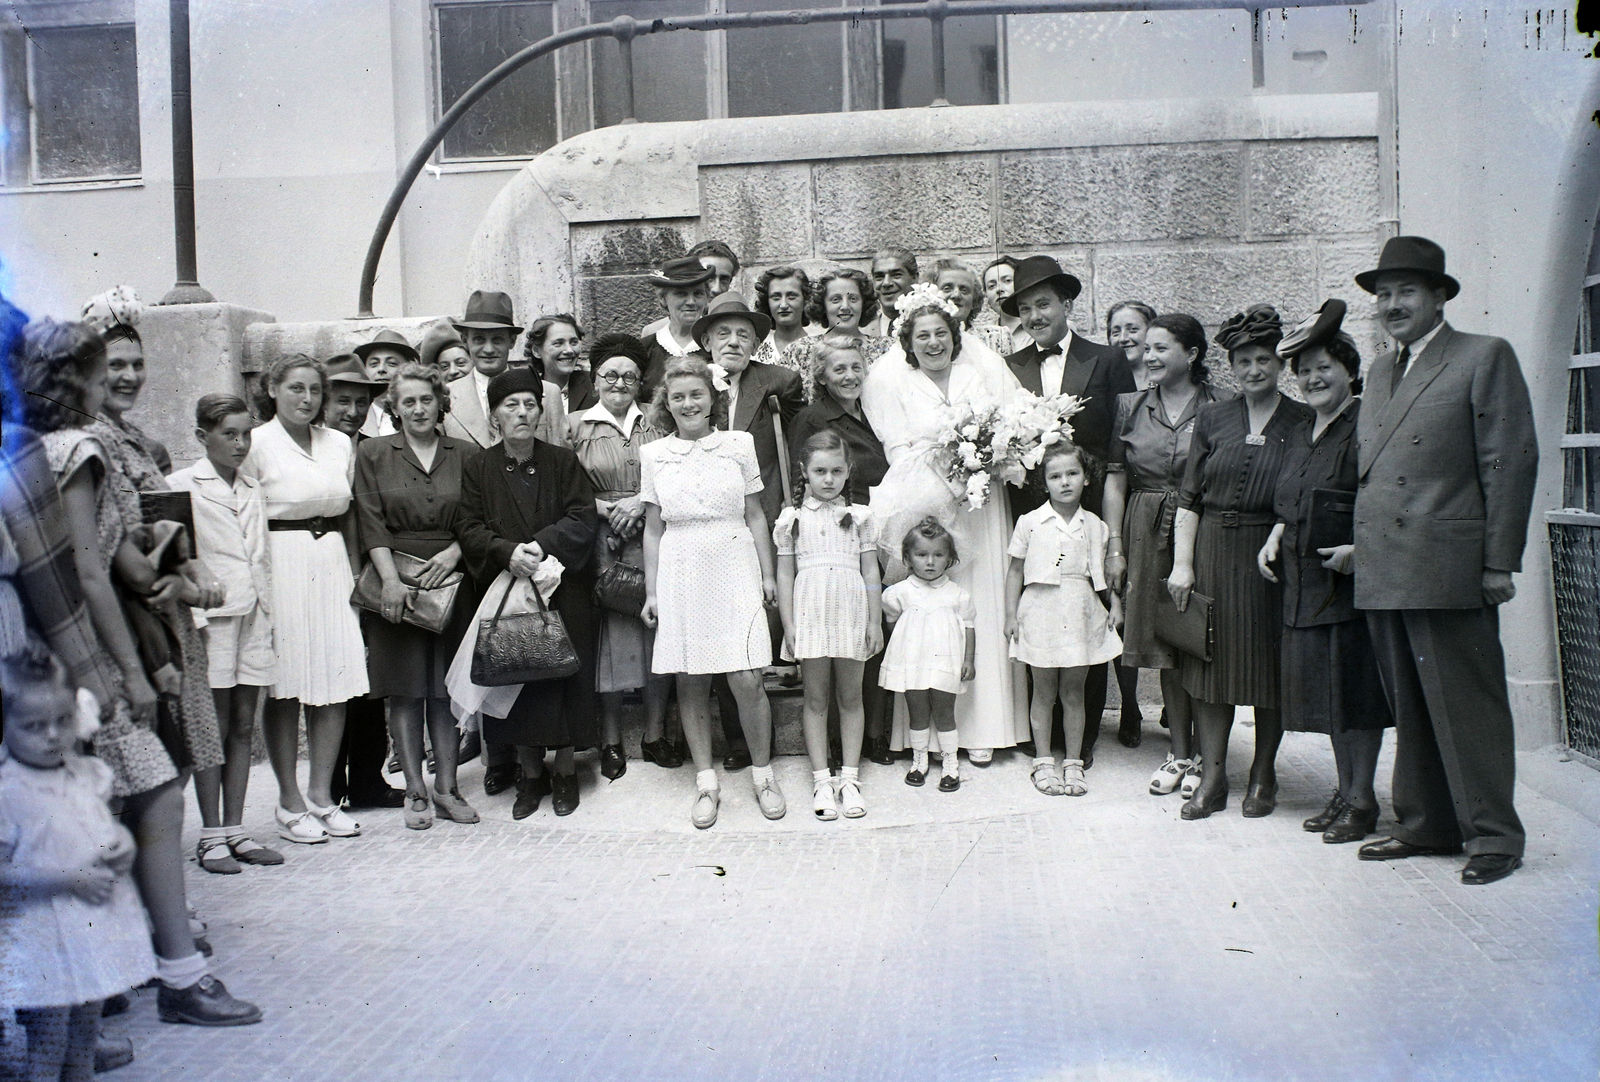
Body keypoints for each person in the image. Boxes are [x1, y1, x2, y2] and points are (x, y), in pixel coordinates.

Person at [21, 319, 257, 1025]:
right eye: (105, 368)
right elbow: (92, 570)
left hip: (57, 642)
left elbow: (117, 552)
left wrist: (162, 567)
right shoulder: (84, 448)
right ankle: (179, 975)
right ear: (80, 380)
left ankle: (107, 980)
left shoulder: (38, 447)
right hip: (89, 645)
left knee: (106, 805)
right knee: (152, 794)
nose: (117, 380)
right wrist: (126, 669)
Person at [1349, 237, 1538, 886]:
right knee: (1412, 705)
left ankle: (1494, 836)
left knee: (1468, 708)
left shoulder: (1482, 356)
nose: (1391, 305)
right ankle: (1425, 822)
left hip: (1449, 565)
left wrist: (1498, 563)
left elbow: (1508, 461)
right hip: (1386, 565)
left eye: (1405, 292)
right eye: (1382, 296)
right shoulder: (1377, 372)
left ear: (1438, 297)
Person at [861, 292, 1028, 763]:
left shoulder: (982, 371)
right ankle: (927, 738)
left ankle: (986, 730)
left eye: (941, 334)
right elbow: (896, 447)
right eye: (922, 336)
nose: (933, 343)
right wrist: (944, 470)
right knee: (931, 613)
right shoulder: (897, 382)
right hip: (930, 503)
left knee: (981, 608)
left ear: (955, 337)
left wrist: (986, 456)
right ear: (908, 344)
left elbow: (1010, 426)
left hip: (983, 505)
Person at [1255, 301, 1392, 844]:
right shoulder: (1305, 429)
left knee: (1355, 698)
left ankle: (1363, 802)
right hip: (1304, 582)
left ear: (1350, 370)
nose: (1313, 378)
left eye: (1324, 368)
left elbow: (1383, 493)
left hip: (1347, 581)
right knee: (1330, 697)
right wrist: (1274, 535)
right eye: (1305, 370)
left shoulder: (1367, 422)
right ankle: (1346, 791)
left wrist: (1362, 548)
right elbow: (1291, 499)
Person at [1167, 306, 1312, 820]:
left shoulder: (1301, 419)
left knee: (1266, 670)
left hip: (1270, 558)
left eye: (1265, 360)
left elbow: (1302, 494)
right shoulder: (1213, 418)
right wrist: (1182, 565)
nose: (1254, 369)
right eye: (1244, 360)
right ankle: (1212, 778)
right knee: (1210, 670)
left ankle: (1263, 774)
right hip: (1212, 551)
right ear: (1231, 365)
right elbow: (1188, 498)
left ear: (1280, 364)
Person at [639, 356, 785, 829]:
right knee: (692, 679)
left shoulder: (738, 445)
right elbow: (653, 531)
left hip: (734, 559)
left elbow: (757, 515)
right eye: (678, 396)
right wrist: (652, 592)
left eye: (696, 394)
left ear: (713, 398)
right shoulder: (655, 454)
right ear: (667, 403)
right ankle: (706, 781)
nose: (688, 403)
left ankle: (763, 774)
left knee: (746, 677)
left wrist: (767, 575)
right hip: (680, 567)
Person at [0, 647, 157, 1080]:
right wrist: (67, 879)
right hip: (42, 939)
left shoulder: (85, 773)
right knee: (49, 1046)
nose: (52, 735)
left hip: (91, 933)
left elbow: (105, 829)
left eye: (63, 721)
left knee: (85, 1037)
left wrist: (121, 844)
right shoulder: (9, 792)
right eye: (33, 726)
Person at [1004, 256, 1134, 766]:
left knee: (1088, 610)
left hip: (1092, 504)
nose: (1036, 315)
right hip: (1033, 509)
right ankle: (1044, 737)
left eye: (1044, 304)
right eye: (1026, 308)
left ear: (1066, 305)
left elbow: (1122, 440)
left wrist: (1114, 529)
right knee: (1042, 614)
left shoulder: (1105, 360)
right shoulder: (1012, 368)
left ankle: (1083, 739)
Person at [456, 370, 600, 820]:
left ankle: (563, 772)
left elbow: (582, 516)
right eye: (511, 405)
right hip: (509, 587)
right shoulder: (480, 466)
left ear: (541, 411)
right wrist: (505, 552)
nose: (522, 413)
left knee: (563, 680)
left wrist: (542, 544)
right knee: (519, 679)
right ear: (495, 415)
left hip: (562, 587)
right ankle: (530, 774)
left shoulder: (562, 461)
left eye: (530, 404)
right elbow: (468, 526)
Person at [243, 354, 370, 843]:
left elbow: (350, 512)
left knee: (334, 678)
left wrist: (358, 576)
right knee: (287, 684)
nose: (307, 399)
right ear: (273, 389)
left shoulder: (338, 443)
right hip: (281, 564)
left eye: (314, 390)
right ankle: (289, 801)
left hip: (331, 562)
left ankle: (321, 796)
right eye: (296, 388)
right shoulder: (256, 443)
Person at [354, 364, 479, 830]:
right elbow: (370, 518)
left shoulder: (465, 453)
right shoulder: (373, 453)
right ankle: (415, 790)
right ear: (394, 406)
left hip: (451, 580)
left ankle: (447, 788)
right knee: (404, 692)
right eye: (407, 401)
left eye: (425, 399)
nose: (418, 409)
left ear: (439, 400)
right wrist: (389, 581)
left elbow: (479, 515)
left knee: (444, 691)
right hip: (396, 579)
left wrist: (455, 552)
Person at [1103, 314, 1220, 795]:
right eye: (1146, 348)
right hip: (1145, 530)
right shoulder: (1129, 406)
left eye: (1160, 348)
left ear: (1191, 354)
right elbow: (1115, 476)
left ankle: (1207, 759)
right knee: (1167, 644)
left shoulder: (1220, 407)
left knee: (1199, 639)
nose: (1147, 356)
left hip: (1202, 529)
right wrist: (1114, 545)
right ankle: (1177, 752)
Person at [168, 395, 284, 873]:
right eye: (228, 435)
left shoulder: (252, 484)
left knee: (243, 724)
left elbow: (259, 556)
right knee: (211, 730)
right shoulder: (180, 486)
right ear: (202, 437)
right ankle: (210, 835)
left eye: (245, 434)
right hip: (211, 620)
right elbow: (178, 560)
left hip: (255, 613)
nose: (240, 444)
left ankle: (235, 830)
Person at [566, 334, 677, 776]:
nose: (619, 382)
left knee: (658, 635)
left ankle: (654, 735)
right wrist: (608, 510)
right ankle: (611, 741)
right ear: (595, 379)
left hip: (653, 533)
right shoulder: (575, 426)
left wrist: (638, 506)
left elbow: (672, 473)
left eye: (629, 375)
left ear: (639, 381)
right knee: (613, 642)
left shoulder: (656, 422)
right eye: (609, 375)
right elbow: (565, 487)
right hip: (601, 543)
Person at [786, 337, 894, 766]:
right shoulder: (815, 418)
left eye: (855, 367)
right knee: (826, 653)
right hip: (828, 525)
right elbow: (805, 476)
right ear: (822, 377)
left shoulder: (872, 411)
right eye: (838, 370)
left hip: (873, 523)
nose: (849, 376)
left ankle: (873, 736)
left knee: (864, 636)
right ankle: (832, 747)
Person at [774, 430, 883, 820]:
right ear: (804, 471)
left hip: (851, 608)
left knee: (851, 696)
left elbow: (871, 570)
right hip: (810, 613)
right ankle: (822, 779)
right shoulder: (792, 520)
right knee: (816, 698)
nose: (828, 479)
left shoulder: (860, 518)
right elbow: (785, 576)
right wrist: (788, 625)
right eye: (820, 471)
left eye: (837, 470)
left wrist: (874, 620)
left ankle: (850, 779)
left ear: (848, 470)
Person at [1005, 443, 1123, 798]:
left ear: (1086, 478)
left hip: (1080, 609)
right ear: (1044, 483)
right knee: (1043, 691)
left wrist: (1114, 604)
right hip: (1040, 610)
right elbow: (1014, 571)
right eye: (1055, 476)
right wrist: (1010, 614)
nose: (1065, 482)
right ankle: (1043, 761)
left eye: (1072, 473)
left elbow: (1101, 575)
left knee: (1074, 692)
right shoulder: (1030, 522)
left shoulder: (1096, 525)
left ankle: (1073, 762)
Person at [880, 519, 975, 791]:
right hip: (913, 663)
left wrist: (968, 659)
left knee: (945, 713)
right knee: (917, 712)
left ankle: (950, 764)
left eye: (938, 555)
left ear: (950, 559)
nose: (930, 562)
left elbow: (969, 628)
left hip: (946, 662)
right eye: (922, 555)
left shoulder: (957, 594)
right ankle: (919, 760)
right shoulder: (900, 592)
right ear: (908, 558)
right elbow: (893, 625)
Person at [780, 267, 893, 388]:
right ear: (822, 305)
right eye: (836, 299)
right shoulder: (799, 350)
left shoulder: (888, 349)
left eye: (853, 299)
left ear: (863, 303)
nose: (845, 306)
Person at [640, 258, 716, 398]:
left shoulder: (717, 346)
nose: (691, 302)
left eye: (698, 293)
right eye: (681, 294)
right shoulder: (646, 348)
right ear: (663, 299)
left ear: (706, 298)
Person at [639, 240, 742, 338]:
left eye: (724, 279)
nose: (717, 289)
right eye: (709, 279)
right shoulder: (654, 332)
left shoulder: (740, 330)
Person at [931, 258, 1013, 357]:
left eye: (964, 290)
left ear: (974, 300)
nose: (956, 295)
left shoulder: (998, 338)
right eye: (947, 288)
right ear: (931, 294)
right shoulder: (921, 341)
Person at [524, 314, 595, 422]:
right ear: (536, 351)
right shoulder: (527, 392)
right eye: (558, 343)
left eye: (574, 342)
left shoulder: (595, 386)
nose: (569, 350)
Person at [751, 265, 820, 369]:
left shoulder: (820, 348)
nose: (783, 305)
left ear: (805, 300)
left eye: (791, 296)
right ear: (767, 302)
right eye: (776, 297)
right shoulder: (755, 349)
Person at [355, 329, 420, 439]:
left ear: (409, 369)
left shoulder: (420, 413)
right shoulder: (355, 416)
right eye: (374, 364)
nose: (381, 369)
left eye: (392, 363)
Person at [321, 354, 386, 441]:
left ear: (370, 403)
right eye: (344, 401)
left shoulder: (376, 451)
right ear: (324, 402)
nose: (353, 413)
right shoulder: (306, 447)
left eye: (361, 403)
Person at [981, 255, 1030, 354]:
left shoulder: (1042, 328)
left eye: (1007, 281)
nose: (999, 289)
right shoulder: (982, 337)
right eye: (991, 286)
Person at [865, 248, 918, 337]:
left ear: (914, 278)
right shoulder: (863, 332)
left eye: (896, 275)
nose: (886, 283)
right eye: (879, 277)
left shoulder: (931, 327)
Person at [1106, 301, 1158, 391]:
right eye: (1116, 332)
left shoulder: (1170, 380)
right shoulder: (1103, 384)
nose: (1123, 339)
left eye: (1132, 329)